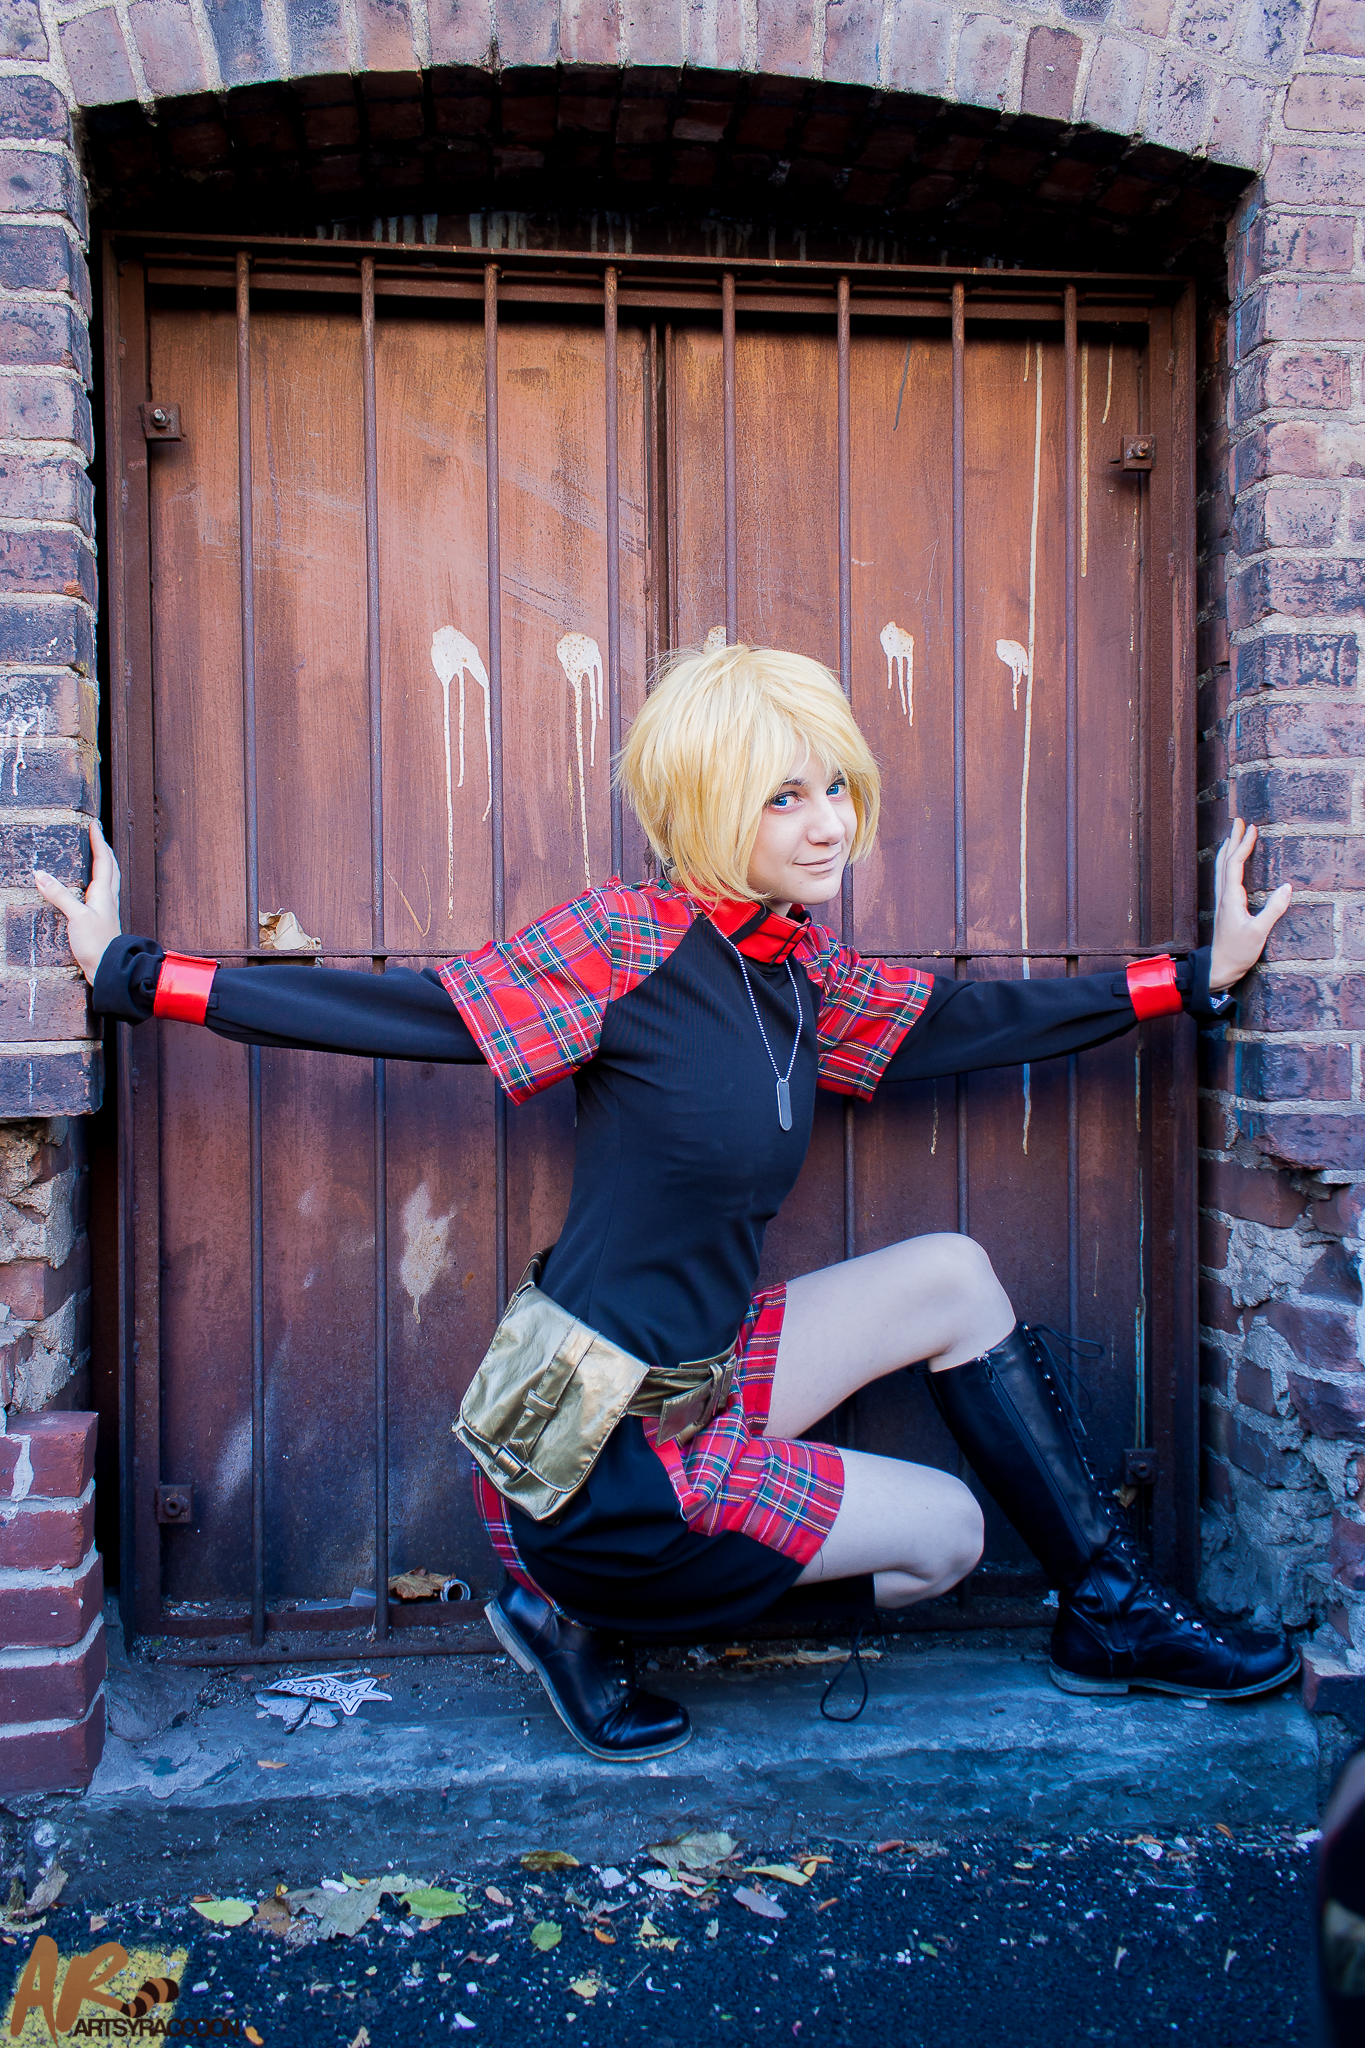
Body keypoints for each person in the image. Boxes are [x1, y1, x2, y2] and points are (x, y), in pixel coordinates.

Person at [39, 644, 1299, 1764]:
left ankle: (1111, 1612)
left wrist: (1194, 977)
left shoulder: (798, 973)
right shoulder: (627, 945)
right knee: (950, 1540)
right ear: (706, 806)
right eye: (783, 795)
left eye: (835, 786)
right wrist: (135, 973)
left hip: (706, 1382)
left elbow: (963, 1019)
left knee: (954, 1273)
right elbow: (415, 1009)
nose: (828, 824)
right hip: (592, 1461)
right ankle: (580, 1608)